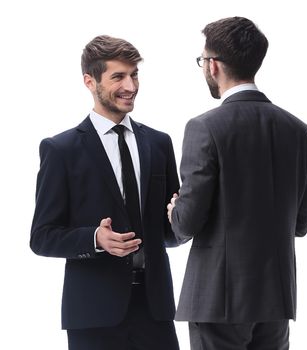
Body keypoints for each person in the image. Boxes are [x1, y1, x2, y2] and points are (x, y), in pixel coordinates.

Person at [167, 16, 307, 350]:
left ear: (214, 66)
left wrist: (176, 210)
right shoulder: (299, 131)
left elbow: (186, 223)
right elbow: (301, 224)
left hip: (218, 299)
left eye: (203, 60)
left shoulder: (205, 128)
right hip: (276, 300)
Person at [30, 35, 180, 350]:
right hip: (93, 312)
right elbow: (42, 237)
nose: (131, 85)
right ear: (90, 81)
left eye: (134, 74)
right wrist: (95, 239)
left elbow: (169, 233)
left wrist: (184, 216)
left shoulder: (159, 143)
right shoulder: (61, 150)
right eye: (118, 77)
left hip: (155, 309)